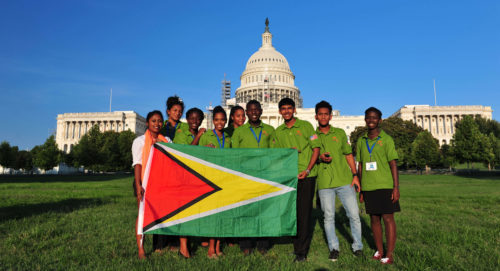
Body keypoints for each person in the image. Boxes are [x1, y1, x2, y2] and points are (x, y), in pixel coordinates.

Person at [270, 98, 320, 262]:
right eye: (283, 109)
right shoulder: (278, 132)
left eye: (289, 108)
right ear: (279, 112)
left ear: (294, 109)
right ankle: (297, 246)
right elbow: (276, 156)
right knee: (292, 213)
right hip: (289, 177)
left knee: (304, 214)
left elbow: (316, 148)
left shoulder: (306, 126)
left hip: (306, 176)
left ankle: (302, 252)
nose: (286, 111)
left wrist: (307, 170)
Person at [314, 101, 363, 261]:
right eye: (320, 114)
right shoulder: (312, 136)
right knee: (328, 217)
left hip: (344, 180)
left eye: (326, 114)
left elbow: (348, 154)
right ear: (316, 116)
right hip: (325, 182)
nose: (323, 116)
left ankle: (357, 246)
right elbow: (311, 158)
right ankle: (334, 247)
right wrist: (319, 159)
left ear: (330, 115)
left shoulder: (340, 133)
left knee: (354, 214)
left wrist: (355, 175)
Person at [356, 107, 400, 265]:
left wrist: (396, 188)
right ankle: (379, 250)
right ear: (365, 119)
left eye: (374, 118)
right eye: (368, 117)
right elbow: (360, 165)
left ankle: (389, 253)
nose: (371, 120)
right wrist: (361, 188)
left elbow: (393, 164)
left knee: (388, 218)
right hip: (368, 186)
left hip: (385, 185)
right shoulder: (361, 141)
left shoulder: (386, 139)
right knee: (374, 219)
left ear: (380, 120)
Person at [231, 100, 275, 255]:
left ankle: (263, 243)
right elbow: (234, 155)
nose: (254, 112)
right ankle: (246, 243)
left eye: (257, 109)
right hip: (245, 176)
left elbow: (275, 153)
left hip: (264, 176)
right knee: (246, 210)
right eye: (251, 110)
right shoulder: (239, 132)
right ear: (247, 113)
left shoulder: (270, 130)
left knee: (263, 210)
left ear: (261, 111)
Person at [131, 110, 171, 259]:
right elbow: (137, 165)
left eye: (160, 121)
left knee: (159, 214)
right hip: (144, 182)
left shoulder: (166, 140)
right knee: (142, 215)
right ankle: (141, 249)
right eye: (153, 121)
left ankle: (159, 246)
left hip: (161, 183)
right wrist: (138, 185)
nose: (157, 124)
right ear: (147, 123)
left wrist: (163, 146)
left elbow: (175, 156)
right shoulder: (140, 141)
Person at [172, 107, 206, 258]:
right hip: (183, 178)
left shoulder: (204, 135)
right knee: (184, 211)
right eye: (191, 118)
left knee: (194, 211)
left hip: (197, 178)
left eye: (198, 119)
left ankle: (194, 241)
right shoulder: (181, 134)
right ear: (187, 119)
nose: (194, 121)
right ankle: (183, 248)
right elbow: (185, 153)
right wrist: (198, 136)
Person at [157, 95, 189, 252]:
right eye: (175, 110)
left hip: (179, 172)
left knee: (178, 208)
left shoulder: (185, 129)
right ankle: (159, 243)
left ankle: (175, 242)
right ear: (168, 111)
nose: (177, 113)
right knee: (161, 208)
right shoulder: (159, 126)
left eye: (180, 111)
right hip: (162, 171)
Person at [199, 105, 231, 258]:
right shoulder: (206, 136)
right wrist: (205, 149)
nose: (219, 122)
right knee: (213, 215)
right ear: (213, 121)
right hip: (210, 179)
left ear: (225, 121)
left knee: (222, 214)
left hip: (224, 178)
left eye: (222, 120)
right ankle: (211, 248)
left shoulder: (228, 138)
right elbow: (197, 156)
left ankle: (218, 246)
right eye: (216, 120)